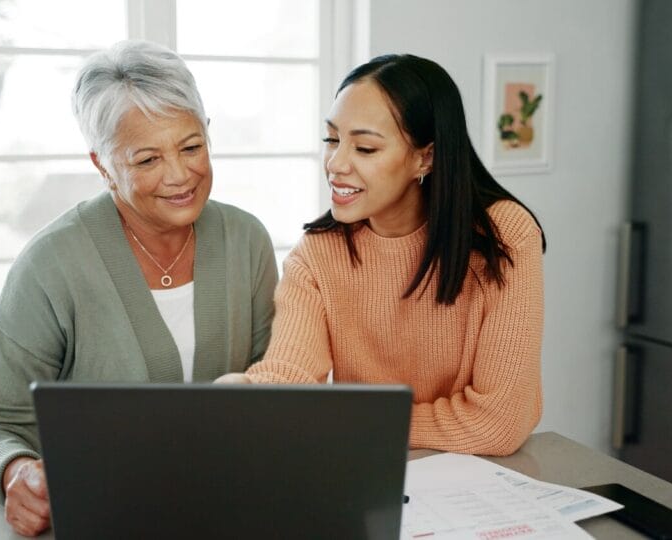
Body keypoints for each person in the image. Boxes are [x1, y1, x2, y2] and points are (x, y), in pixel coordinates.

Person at [0, 40, 278, 537]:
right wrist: (14, 471)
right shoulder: (51, 263)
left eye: (191, 147)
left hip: (221, 516)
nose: (179, 175)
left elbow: (275, 389)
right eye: (147, 160)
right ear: (102, 164)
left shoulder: (247, 240)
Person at [218, 53, 546, 457]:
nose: (336, 164)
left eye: (365, 148)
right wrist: (252, 391)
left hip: (480, 480)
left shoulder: (504, 237)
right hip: (369, 466)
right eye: (332, 140)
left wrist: (354, 419)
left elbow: (500, 423)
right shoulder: (318, 254)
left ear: (423, 158)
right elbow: (291, 373)